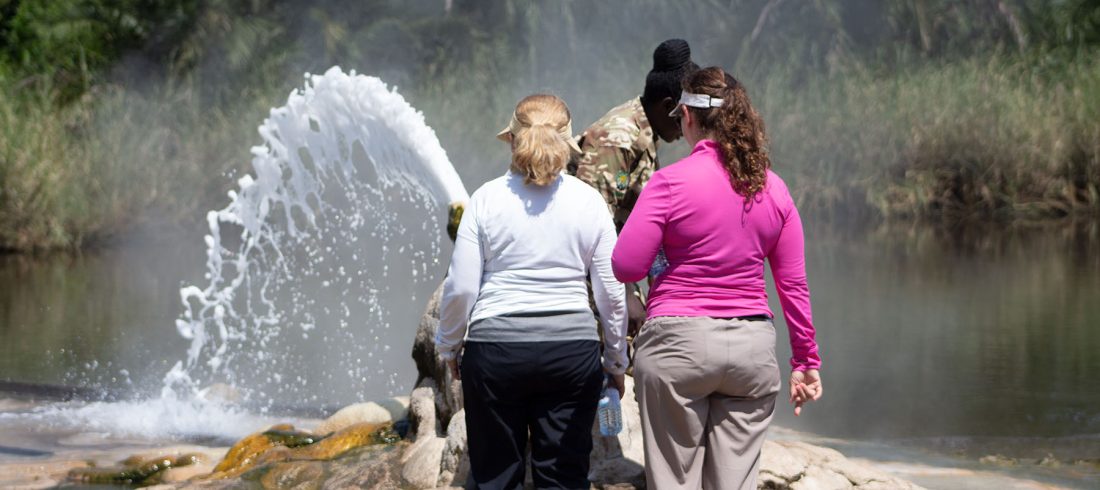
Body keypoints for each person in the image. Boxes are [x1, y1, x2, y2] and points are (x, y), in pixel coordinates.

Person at [611, 67, 823, 489]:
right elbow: (792, 286)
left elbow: (626, 265)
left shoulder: (667, 183)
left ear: (688, 117)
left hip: (677, 349)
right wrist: (806, 362)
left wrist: (666, 249)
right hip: (750, 353)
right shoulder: (772, 189)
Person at [436, 94, 629, 489]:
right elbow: (611, 289)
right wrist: (614, 361)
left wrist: (449, 346)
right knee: (563, 479)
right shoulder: (589, 202)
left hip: (494, 354)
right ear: (568, 144)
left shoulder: (485, 199)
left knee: (495, 477)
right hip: (571, 356)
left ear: (512, 140)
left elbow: (461, 287)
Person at [569, 38, 697, 336]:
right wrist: (625, 294)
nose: (685, 129)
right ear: (669, 106)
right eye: (683, 117)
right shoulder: (620, 139)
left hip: (604, 263)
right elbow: (587, 227)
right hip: (576, 268)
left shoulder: (646, 134)